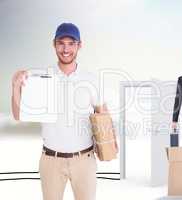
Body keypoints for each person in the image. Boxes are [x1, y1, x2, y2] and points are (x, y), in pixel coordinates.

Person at [11, 23, 112, 200]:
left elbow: (103, 117)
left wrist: (109, 147)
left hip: (84, 161)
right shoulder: (40, 78)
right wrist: (15, 86)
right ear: (54, 44)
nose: (66, 49)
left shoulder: (91, 79)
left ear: (79, 45)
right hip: (51, 160)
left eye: (71, 43)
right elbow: (18, 116)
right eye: (61, 43)